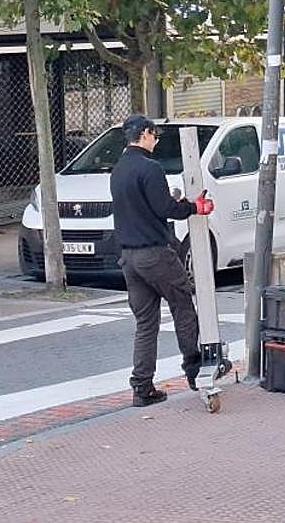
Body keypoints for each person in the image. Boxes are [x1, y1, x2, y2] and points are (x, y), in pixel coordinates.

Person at [111, 114, 214, 407]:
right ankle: (194, 368)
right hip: (155, 254)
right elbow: (163, 207)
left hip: (129, 258)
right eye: (154, 135)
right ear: (145, 134)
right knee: (183, 306)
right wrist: (194, 207)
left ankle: (142, 388)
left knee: (146, 324)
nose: (155, 140)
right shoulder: (150, 167)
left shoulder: (117, 170)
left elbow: (142, 208)